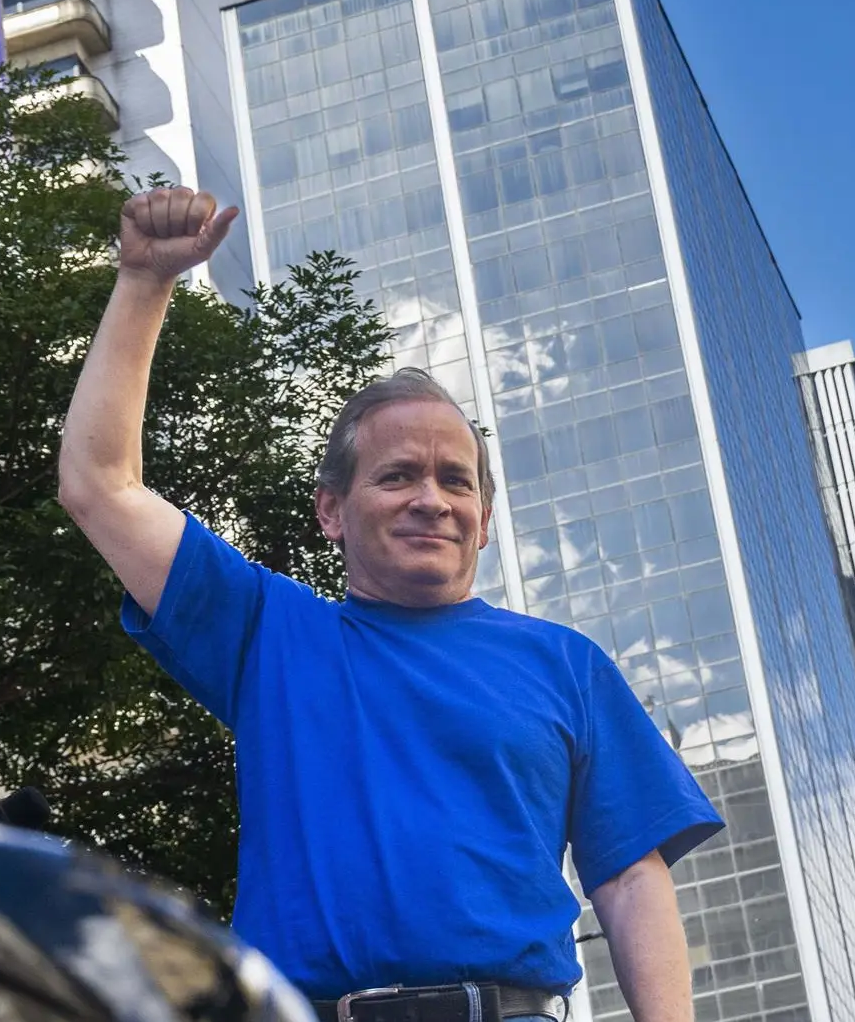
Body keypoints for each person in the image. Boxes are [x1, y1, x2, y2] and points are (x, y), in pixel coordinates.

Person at [57, 187, 723, 1022]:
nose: (431, 499)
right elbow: (99, 485)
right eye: (397, 475)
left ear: (484, 520)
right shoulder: (268, 634)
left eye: (455, 480)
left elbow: (629, 879)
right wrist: (143, 283)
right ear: (331, 510)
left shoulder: (567, 667)